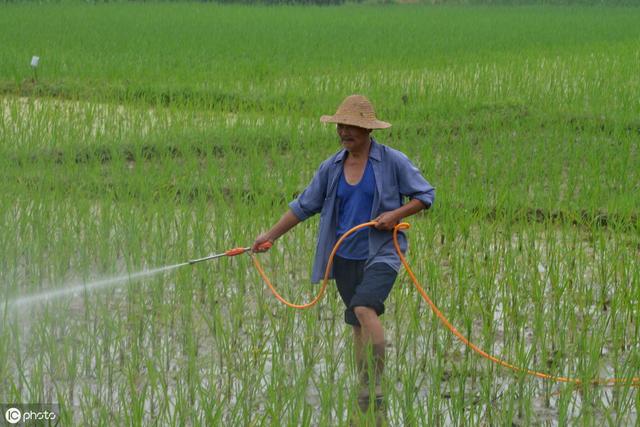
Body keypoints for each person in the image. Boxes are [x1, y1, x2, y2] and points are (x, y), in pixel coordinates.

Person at [252, 94, 435, 414]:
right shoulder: (331, 168)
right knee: (356, 323)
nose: (344, 132)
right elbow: (304, 206)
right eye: (341, 126)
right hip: (344, 256)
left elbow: (425, 195)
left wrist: (394, 215)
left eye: (351, 126)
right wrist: (270, 236)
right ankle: (363, 386)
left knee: (365, 308)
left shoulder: (392, 161)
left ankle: (377, 385)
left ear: (368, 130)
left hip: (381, 252)